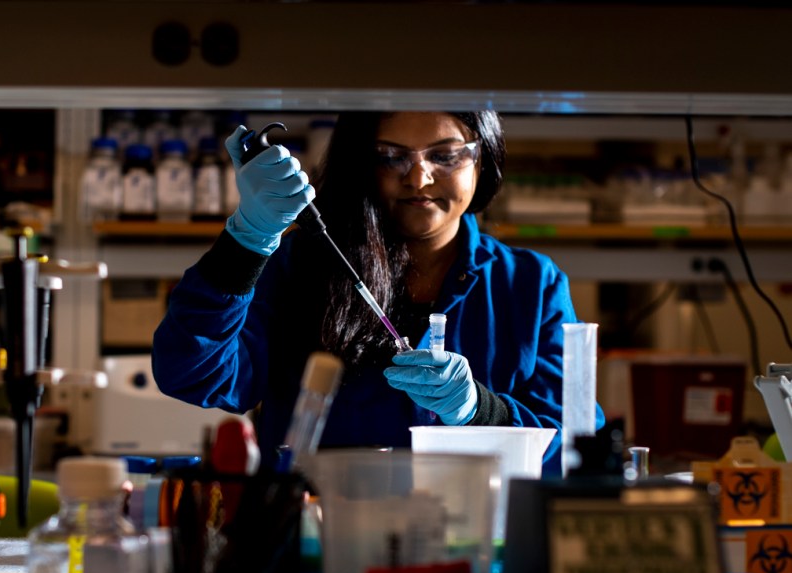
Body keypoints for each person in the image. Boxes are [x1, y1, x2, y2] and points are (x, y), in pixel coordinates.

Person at [151, 111, 604, 476]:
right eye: (392, 156)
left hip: (476, 540)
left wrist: (481, 411)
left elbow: (576, 447)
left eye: (445, 156)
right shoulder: (302, 265)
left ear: (482, 161)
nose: (419, 178)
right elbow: (192, 372)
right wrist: (247, 240)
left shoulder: (528, 284)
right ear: (361, 164)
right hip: (321, 542)